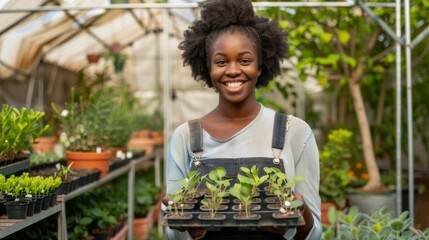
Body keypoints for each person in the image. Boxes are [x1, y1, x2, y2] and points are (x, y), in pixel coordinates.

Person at [164, 0, 321, 239]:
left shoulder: (294, 132)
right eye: (221, 61)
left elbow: (315, 233)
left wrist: (299, 218)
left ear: (260, 66)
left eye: (245, 60)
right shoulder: (185, 137)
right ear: (208, 68)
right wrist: (193, 230)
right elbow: (172, 231)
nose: (233, 70)